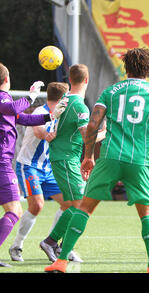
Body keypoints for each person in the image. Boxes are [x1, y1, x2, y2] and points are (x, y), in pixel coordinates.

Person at [44, 47, 149, 274]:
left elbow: (92, 125)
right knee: (147, 212)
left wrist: (89, 155)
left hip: (110, 157)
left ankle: (61, 261)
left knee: (85, 208)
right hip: (139, 160)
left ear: (126, 68)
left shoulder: (110, 92)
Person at [0, 63, 65, 267]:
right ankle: (16, 246)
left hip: (6, 161)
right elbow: (13, 109)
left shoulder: (5, 101)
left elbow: (23, 118)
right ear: (7, 80)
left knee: (15, 209)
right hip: (3, 161)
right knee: (15, 210)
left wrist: (50, 116)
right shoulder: (3, 98)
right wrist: (31, 95)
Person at [39, 64, 105, 263]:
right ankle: (52, 242)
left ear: (70, 79)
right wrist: (106, 132)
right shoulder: (78, 105)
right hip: (66, 158)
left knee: (72, 203)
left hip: (64, 157)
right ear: (87, 80)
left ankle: (60, 246)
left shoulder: (64, 99)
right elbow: (87, 137)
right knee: (81, 203)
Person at [9, 82, 73, 262]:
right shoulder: (40, 112)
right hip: (29, 166)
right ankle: (17, 246)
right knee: (37, 205)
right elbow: (38, 131)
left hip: (48, 169)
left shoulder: (62, 114)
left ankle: (53, 243)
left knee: (70, 203)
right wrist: (47, 135)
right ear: (62, 99)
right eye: (66, 97)